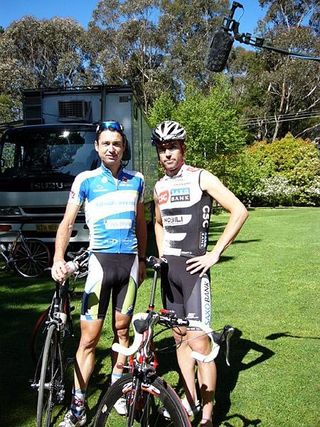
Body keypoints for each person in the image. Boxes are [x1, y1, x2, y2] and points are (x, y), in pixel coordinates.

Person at [152, 120, 248, 427]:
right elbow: (158, 221)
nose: (167, 154)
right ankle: (190, 402)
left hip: (195, 273)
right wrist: (163, 253)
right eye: (162, 149)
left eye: (172, 148)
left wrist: (215, 253)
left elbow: (239, 210)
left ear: (182, 148)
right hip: (171, 273)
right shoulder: (159, 186)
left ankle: (207, 414)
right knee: (180, 338)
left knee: (201, 344)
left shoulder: (201, 177)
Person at [51, 121, 147, 427]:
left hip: (129, 265)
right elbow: (67, 224)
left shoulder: (138, 181)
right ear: (96, 146)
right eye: (106, 143)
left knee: (122, 333)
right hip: (99, 264)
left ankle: (118, 391)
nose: (112, 148)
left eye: (117, 143)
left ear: (123, 147)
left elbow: (142, 223)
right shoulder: (85, 180)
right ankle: (78, 409)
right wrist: (57, 258)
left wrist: (142, 259)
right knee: (89, 340)